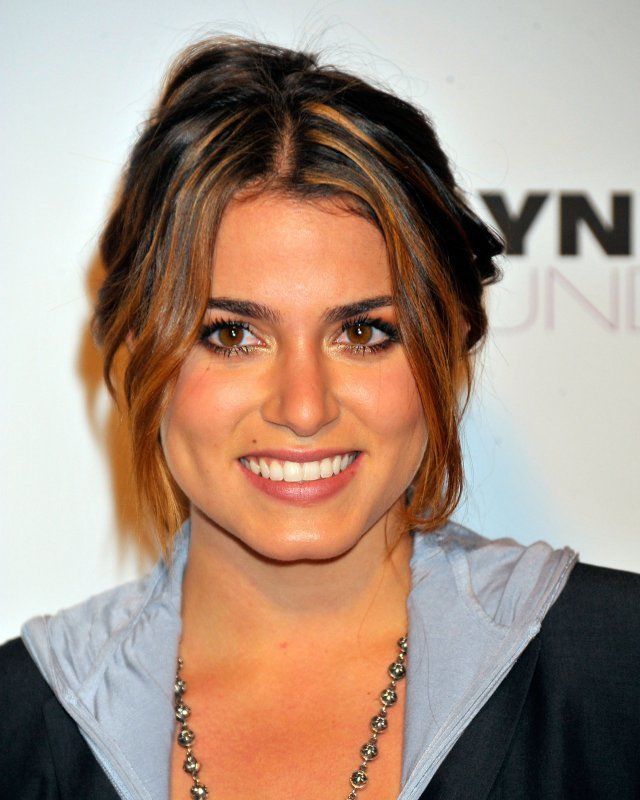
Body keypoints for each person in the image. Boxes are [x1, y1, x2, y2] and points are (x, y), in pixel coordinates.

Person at [1, 35, 638, 800]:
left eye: (363, 332)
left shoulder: (616, 669)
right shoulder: (20, 724)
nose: (303, 408)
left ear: (445, 348)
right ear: (141, 355)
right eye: (231, 335)